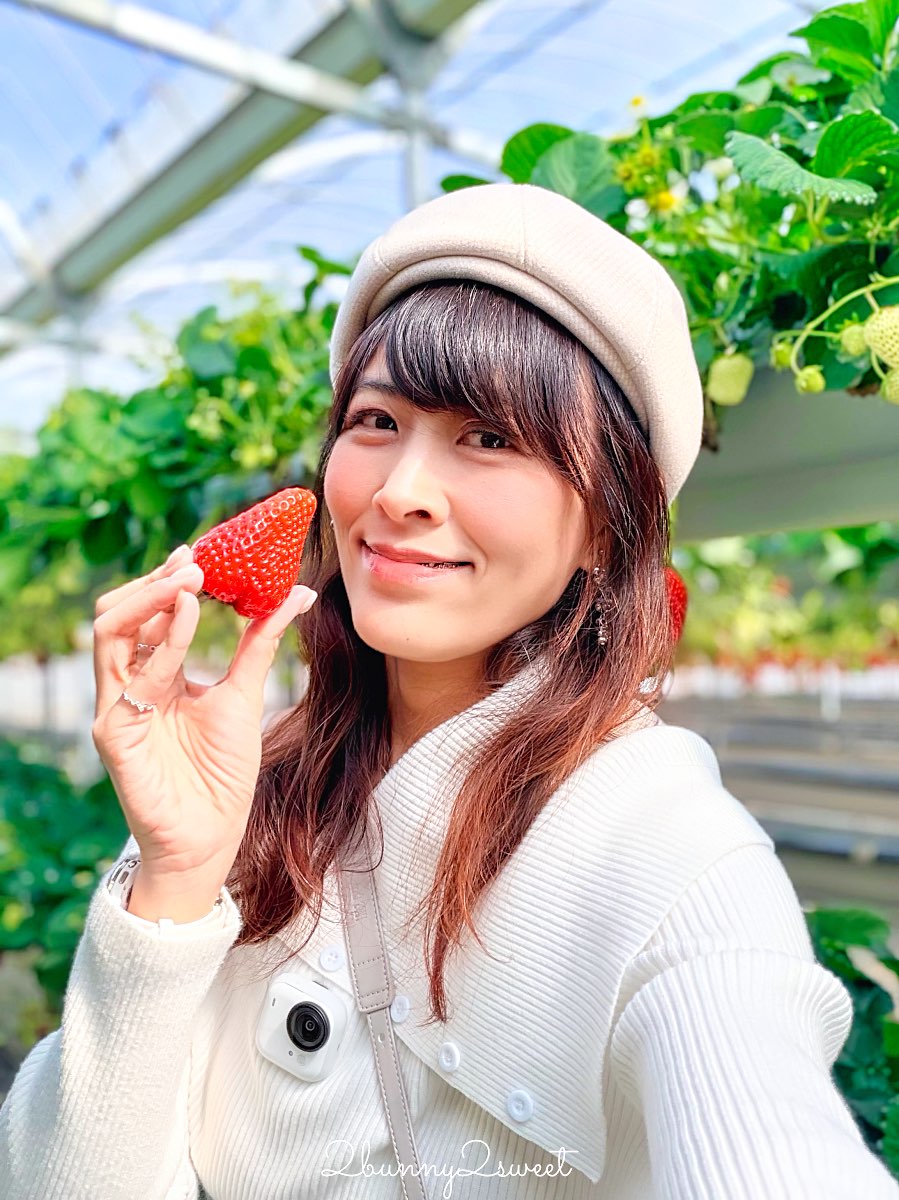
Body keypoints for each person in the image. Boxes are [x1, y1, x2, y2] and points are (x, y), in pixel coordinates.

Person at [1, 182, 896, 1200]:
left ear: (606, 526)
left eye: (489, 437)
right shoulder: (239, 793)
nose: (396, 491)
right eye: (376, 420)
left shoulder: (669, 856)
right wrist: (170, 880)